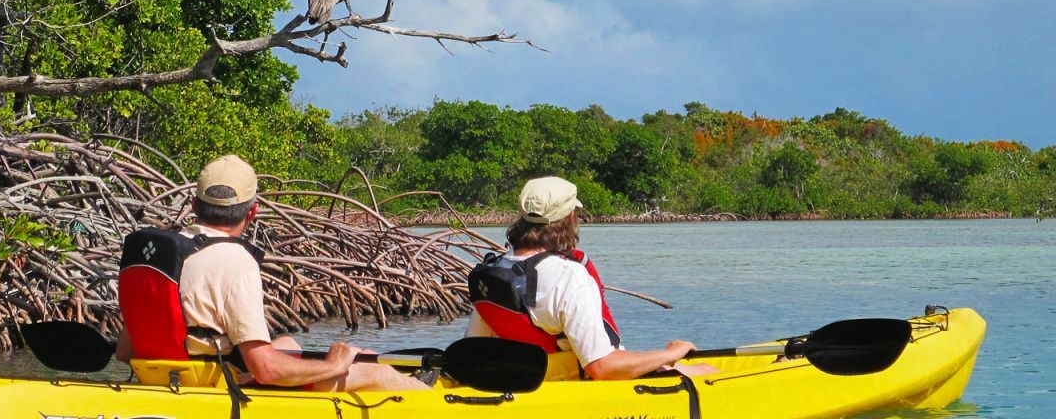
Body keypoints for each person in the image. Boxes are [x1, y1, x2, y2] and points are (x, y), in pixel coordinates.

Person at [115, 154, 427, 391]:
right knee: (377, 370)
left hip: (164, 372)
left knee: (289, 343)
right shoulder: (235, 262)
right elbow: (265, 369)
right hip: (213, 384)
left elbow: (124, 351)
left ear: (195, 205)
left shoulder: (163, 255)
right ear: (252, 212)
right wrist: (334, 365)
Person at [465, 176, 716, 380]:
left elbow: (473, 347)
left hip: (530, 382)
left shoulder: (493, 273)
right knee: (708, 373)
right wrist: (670, 354)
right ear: (569, 218)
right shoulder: (569, 277)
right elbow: (602, 367)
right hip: (580, 387)